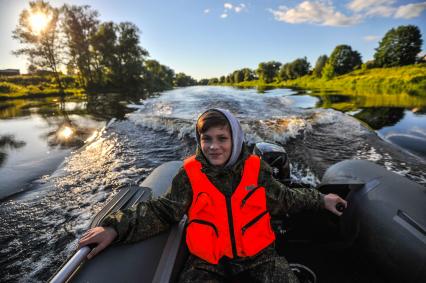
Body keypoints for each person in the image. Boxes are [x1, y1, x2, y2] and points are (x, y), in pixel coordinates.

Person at [78, 108, 347, 282]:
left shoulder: (257, 169)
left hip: (259, 257)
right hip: (207, 263)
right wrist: (115, 228)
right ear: (199, 140)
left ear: (236, 139)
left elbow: (285, 198)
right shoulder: (190, 174)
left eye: (222, 138)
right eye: (206, 139)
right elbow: (162, 210)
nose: (213, 146)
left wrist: (321, 199)